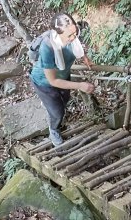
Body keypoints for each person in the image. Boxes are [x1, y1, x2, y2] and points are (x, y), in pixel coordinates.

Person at [30, 13, 95, 147]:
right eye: (69, 36)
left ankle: (50, 105)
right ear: (57, 33)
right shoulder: (48, 47)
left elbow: (77, 47)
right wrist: (80, 85)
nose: (73, 38)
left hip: (63, 76)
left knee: (64, 101)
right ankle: (53, 130)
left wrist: (85, 59)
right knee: (58, 112)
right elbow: (53, 81)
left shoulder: (72, 35)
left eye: (75, 33)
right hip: (44, 83)